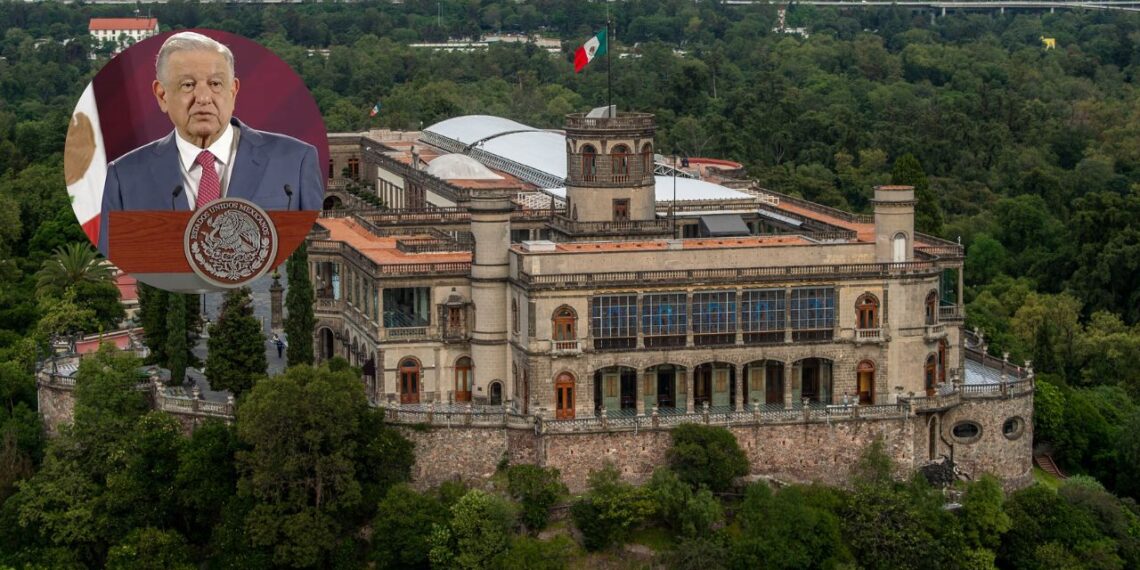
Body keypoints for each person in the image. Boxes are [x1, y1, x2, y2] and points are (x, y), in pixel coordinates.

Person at [97, 31, 323, 256]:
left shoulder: (296, 162)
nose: (204, 98)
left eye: (215, 83)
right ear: (162, 95)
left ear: (233, 91)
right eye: (187, 85)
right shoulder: (124, 177)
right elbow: (113, 259)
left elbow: (313, 247)